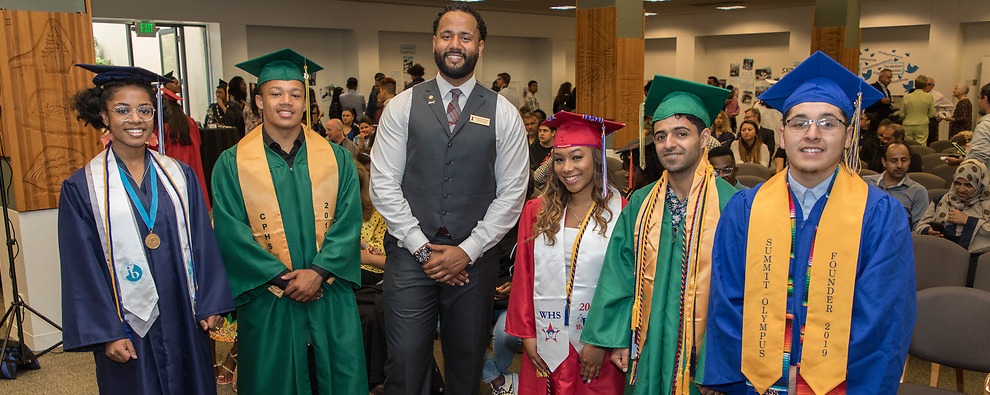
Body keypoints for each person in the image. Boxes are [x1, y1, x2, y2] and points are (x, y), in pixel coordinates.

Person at [703, 51, 916, 395]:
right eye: (799, 122)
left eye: (828, 122)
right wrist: (727, 376)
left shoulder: (879, 215)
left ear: (848, 137)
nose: (812, 134)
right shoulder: (746, 209)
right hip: (754, 382)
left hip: (843, 382)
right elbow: (727, 301)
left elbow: (883, 318)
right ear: (783, 134)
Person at [369, 4, 529, 394]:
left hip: (473, 263)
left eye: (465, 37)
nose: (455, 44)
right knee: (404, 363)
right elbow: (383, 184)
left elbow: (512, 194)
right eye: (447, 35)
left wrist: (467, 251)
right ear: (434, 43)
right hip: (409, 257)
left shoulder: (504, 114)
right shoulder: (401, 107)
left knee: (466, 362)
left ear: (481, 46)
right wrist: (423, 249)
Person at [61, 64, 233, 394]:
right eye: (122, 110)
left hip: (184, 312)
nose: (135, 119)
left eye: (144, 110)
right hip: (128, 323)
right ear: (104, 116)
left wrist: (211, 302)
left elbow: (203, 241)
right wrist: (108, 331)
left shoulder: (179, 176)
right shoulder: (83, 188)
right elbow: (81, 267)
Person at [211, 48, 367, 394]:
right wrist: (282, 279)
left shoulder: (337, 158)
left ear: (305, 100)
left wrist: (319, 273)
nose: (287, 101)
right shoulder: (232, 163)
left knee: (337, 374)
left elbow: (348, 219)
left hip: (328, 289)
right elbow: (230, 231)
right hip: (269, 295)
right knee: (274, 378)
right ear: (258, 100)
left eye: (295, 93)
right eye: (275, 93)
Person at [580, 75, 737, 395]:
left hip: (705, 357)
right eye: (661, 135)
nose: (669, 143)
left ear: (705, 137)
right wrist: (617, 338)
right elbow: (618, 274)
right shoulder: (640, 202)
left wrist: (719, 366)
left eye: (682, 134)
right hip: (646, 350)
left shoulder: (732, 206)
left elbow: (738, 295)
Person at [505, 111, 627, 394]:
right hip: (547, 336)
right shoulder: (536, 212)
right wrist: (528, 335)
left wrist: (600, 341)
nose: (567, 168)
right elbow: (524, 277)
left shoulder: (622, 212)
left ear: (596, 160)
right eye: (559, 159)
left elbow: (624, 284)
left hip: (598, 345)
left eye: (577, 157)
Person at [916, 159, 990, 254]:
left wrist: (967, 220)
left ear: (979, 185)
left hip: (975, 259)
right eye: (958, 183)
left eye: (968, 185)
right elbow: (920, 226)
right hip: (938, 253)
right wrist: (928, 231)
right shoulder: (942, 200)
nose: (961, 189)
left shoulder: (986, 204)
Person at [161, 88, 210, 210]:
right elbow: (198, 142)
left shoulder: (164, 127)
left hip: (173, 168)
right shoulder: (190, 122)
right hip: (192, 166)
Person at [863, 142, 929, 228]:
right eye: (894, 161)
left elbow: (918, 230)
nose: (899, 165)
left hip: (900, 239)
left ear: (909, 160)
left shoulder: (918, 191)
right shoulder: (866, 183)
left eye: (904, 160)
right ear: (884, 162)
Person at [896, 75, 936, 144]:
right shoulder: (928, 96)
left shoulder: (906, 97)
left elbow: (901, 114)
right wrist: (925, 117)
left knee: (908, 144)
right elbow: (933, 114)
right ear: (925, 85)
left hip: (907, 124)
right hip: (922, 124)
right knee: (921, 145)